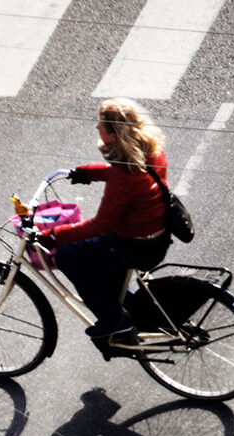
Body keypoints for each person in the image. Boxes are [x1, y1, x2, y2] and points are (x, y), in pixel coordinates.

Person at [38, 98, 172, 353]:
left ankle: (115, 323)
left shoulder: (125, 176)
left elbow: (100, 225)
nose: (96, 127)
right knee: (98, 260)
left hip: (133, 245)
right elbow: (123, 173)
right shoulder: (150, 151)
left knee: (67, 256)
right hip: (154, 236)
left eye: (101, 124)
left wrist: (55, 235)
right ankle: (127, 309)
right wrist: (87, 172)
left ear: (113, 133)